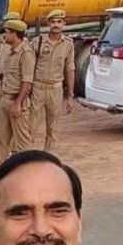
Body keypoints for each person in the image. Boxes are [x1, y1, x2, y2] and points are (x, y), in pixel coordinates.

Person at [30, 9, 76, 152]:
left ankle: (48, 158)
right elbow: (28, 67)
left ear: (64, 24)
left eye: (59, 22)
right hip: (38, 88)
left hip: (56, 89)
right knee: (31, 127)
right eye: (53, 22)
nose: (56, 25)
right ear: (48, 23)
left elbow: (70, 69)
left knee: (53, 129)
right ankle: (27, 158)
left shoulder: (68, 44)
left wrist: (70, 96)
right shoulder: (38, 42)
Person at [0, 19, 35, 164]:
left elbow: (27, 81)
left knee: (22, 142)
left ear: (14, 33)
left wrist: (18, 103)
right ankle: (0, 170)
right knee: (1, 139)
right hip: (5, 99)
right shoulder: (10, 51)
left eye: (6, 32)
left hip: (17, 101)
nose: (4, 36)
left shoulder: (26, 53)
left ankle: (28, 172)